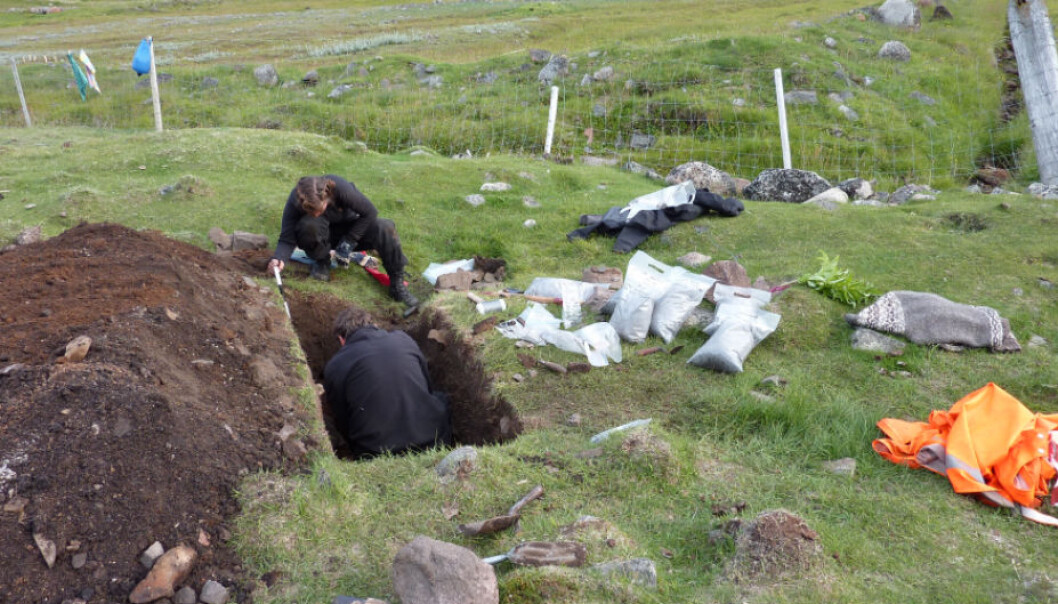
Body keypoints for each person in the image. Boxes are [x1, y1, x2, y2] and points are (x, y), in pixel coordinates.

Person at [266, 175, 419, 307]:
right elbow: (287, 238)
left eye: (321, 208)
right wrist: (279, 258)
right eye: (312, 211)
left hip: (351, 230)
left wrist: (350, 241)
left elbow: (370, 212)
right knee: (309, 225)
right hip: (320, 236)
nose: (317, 213)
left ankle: (397, 283)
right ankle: (322, 261)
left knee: (385, 227)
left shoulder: (341, 189)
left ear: (327, 196)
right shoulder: (295, 200)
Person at [323, 306, 453, 459]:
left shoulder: (335, 365)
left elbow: (342, 418)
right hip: (432, 438)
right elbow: (426, 384)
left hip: (375, 451)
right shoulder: (403, 339)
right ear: (373, 325)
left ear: (341, 339)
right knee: (440, 398)